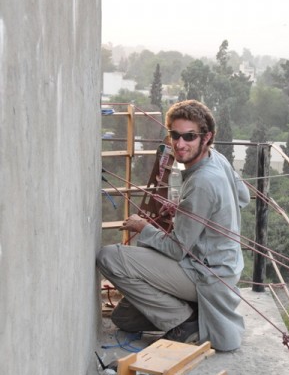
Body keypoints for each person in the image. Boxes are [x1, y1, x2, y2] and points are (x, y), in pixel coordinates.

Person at [97, 99, 250, 351]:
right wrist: (188, 212)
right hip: (225, 267)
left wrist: (143, 227)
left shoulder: (202, 181)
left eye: (189, 136)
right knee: (123, 319)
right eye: (175, 135)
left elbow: (178, 249)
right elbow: (242, 197)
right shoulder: (217, 158)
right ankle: (189, 310)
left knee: (109, 257)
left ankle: (185, 321)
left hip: (205, 273)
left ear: (206, 137)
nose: (180, 144)